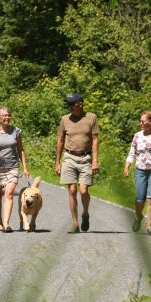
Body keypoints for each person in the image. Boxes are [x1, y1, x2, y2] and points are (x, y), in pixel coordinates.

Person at [55, 93, 99, 233]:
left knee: (84, 191)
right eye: (69, 104)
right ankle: (75, 223)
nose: (70, 106)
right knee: (72, 190)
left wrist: (95, 161)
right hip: (69, 157)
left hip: (85, 158)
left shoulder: (91, 117)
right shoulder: (64, 119)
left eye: (72, 104)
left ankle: (85, 214)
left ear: (80, 103)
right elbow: (60, 141)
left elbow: (95, 140)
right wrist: (57, 162)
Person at [123, 110, 151, 235]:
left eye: (143, 121)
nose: (141, 123)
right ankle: (138, 218)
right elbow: (132, 152)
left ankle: (149, 227)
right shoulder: (137, 135)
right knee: (140, 200)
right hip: (140, 170)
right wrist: (127, 165)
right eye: (140, 121)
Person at [0, 106, 29, 232]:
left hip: (12, 167)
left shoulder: (16, 131)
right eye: (4, 115)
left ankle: (6, 223)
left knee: (9, 193)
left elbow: (20, 150)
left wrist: (25, 167)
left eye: (9, 115)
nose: (7, 117)